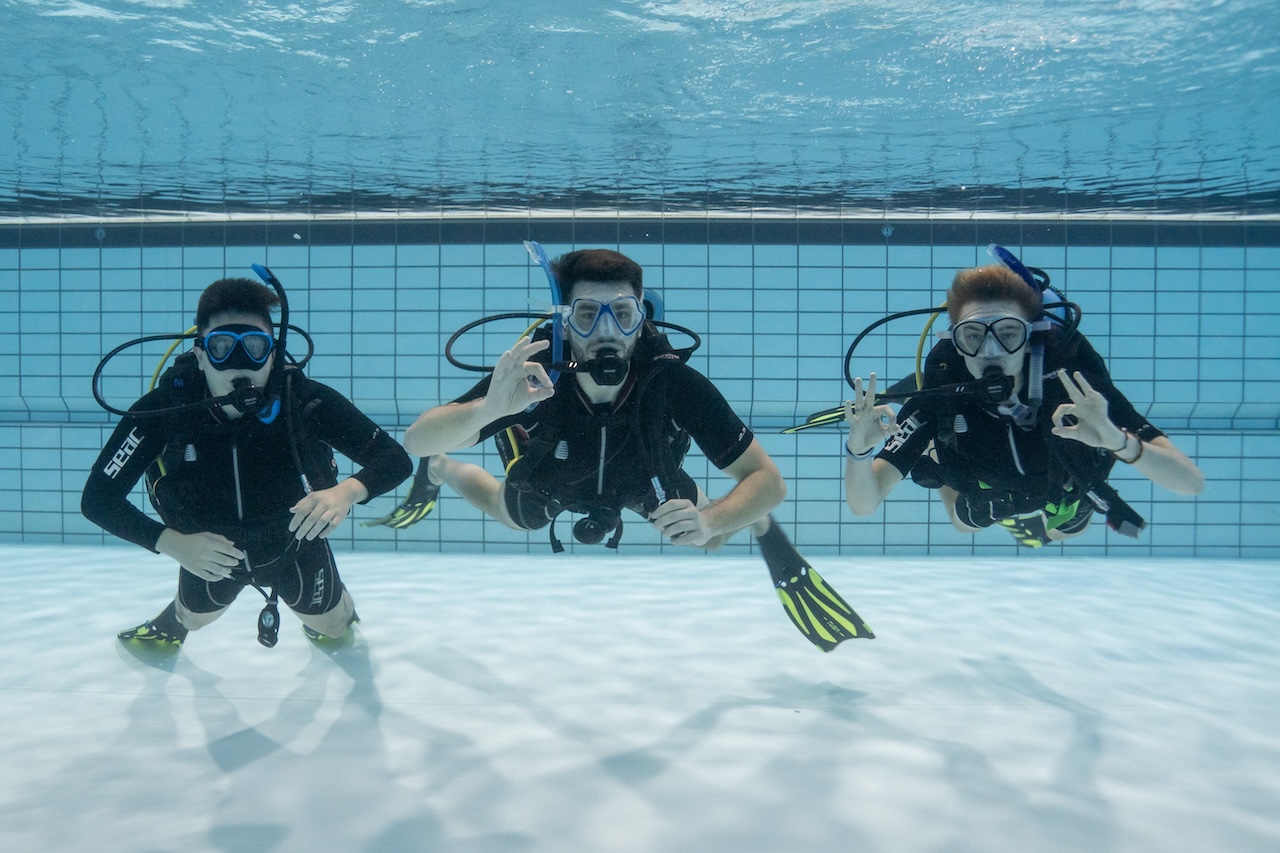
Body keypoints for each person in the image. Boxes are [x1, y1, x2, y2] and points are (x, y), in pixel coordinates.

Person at [382, 247, 872, 650]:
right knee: (514, 514)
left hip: (646, 476)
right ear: (564, 320)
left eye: (621, 313)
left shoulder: (674, 384)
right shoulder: (534, 377)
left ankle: (749, 521)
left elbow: (768, 480)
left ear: (642, 318)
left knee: (709, 536)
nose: (607, 331)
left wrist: (714, 518)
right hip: (552, 471)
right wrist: (486, 411)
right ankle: (444, 469)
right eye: (587, 315)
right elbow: (414, 440)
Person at [82, 277, 412, 648]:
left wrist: (345, 493)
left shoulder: (304, 401)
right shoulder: (164, 411)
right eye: (222, 346)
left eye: (254, 347)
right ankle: (174, 620)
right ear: (201, 353)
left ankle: (337, 605)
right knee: (194, 618)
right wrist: (173, 544)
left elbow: (395, 459)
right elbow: (98, 499)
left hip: (295, 544)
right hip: (206, 552)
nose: (239, 364)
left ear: (273, 352)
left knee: (335, 627)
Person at [843, 262, 1204, 546]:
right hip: (984, 485)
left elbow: (1191, 482)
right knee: (962, 524)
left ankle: (1044, 508)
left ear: (1032, 336)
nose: (990, 351)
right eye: (972, 336)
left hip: (1059, 482)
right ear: (954, 342)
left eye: (1008, 333)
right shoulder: (940, 396)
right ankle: (940, 448)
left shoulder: (1074, 389)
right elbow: (865, 504)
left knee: (1065, 531)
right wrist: (858, 451)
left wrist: (1117, 441)